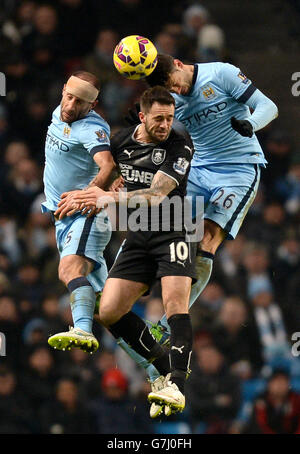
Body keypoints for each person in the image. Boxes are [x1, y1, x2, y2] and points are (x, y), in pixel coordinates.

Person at [55, 85, 197, 417]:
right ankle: (161, 366)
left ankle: (177, 383)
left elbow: (157, 195)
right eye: (159, 119)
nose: (165, 125)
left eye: (170, 118)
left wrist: (107, 198)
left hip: (175, 228)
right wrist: (86, 193)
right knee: (109, 311)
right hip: (139, 236)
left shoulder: (180, 143)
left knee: (175, 302)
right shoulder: (120, 142)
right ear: (143, 116)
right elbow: (105, 177)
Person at [145, 54, 278, 341]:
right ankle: (119, 285)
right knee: (160, 220)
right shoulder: (171, 102)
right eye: (169, 90)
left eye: (174, 84)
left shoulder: (221, 74)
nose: (176, 91)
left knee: (206, 240)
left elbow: (269, 106)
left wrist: (252, 124)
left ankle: (166, 326)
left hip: (238, 170)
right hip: (200, 169)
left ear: (179, 64)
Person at [42, 70, 116, 353]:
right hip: (63, 219)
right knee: (107, 309)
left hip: (86, 214)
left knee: (69, 269)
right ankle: (156, 367)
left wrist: (89, 194)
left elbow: (107, 165)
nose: (72, 106)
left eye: (81, 103)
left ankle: (83, 331)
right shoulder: (59, 112)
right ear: (63, 90)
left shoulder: (92, 128)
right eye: (69, 97)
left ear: (92, 106)